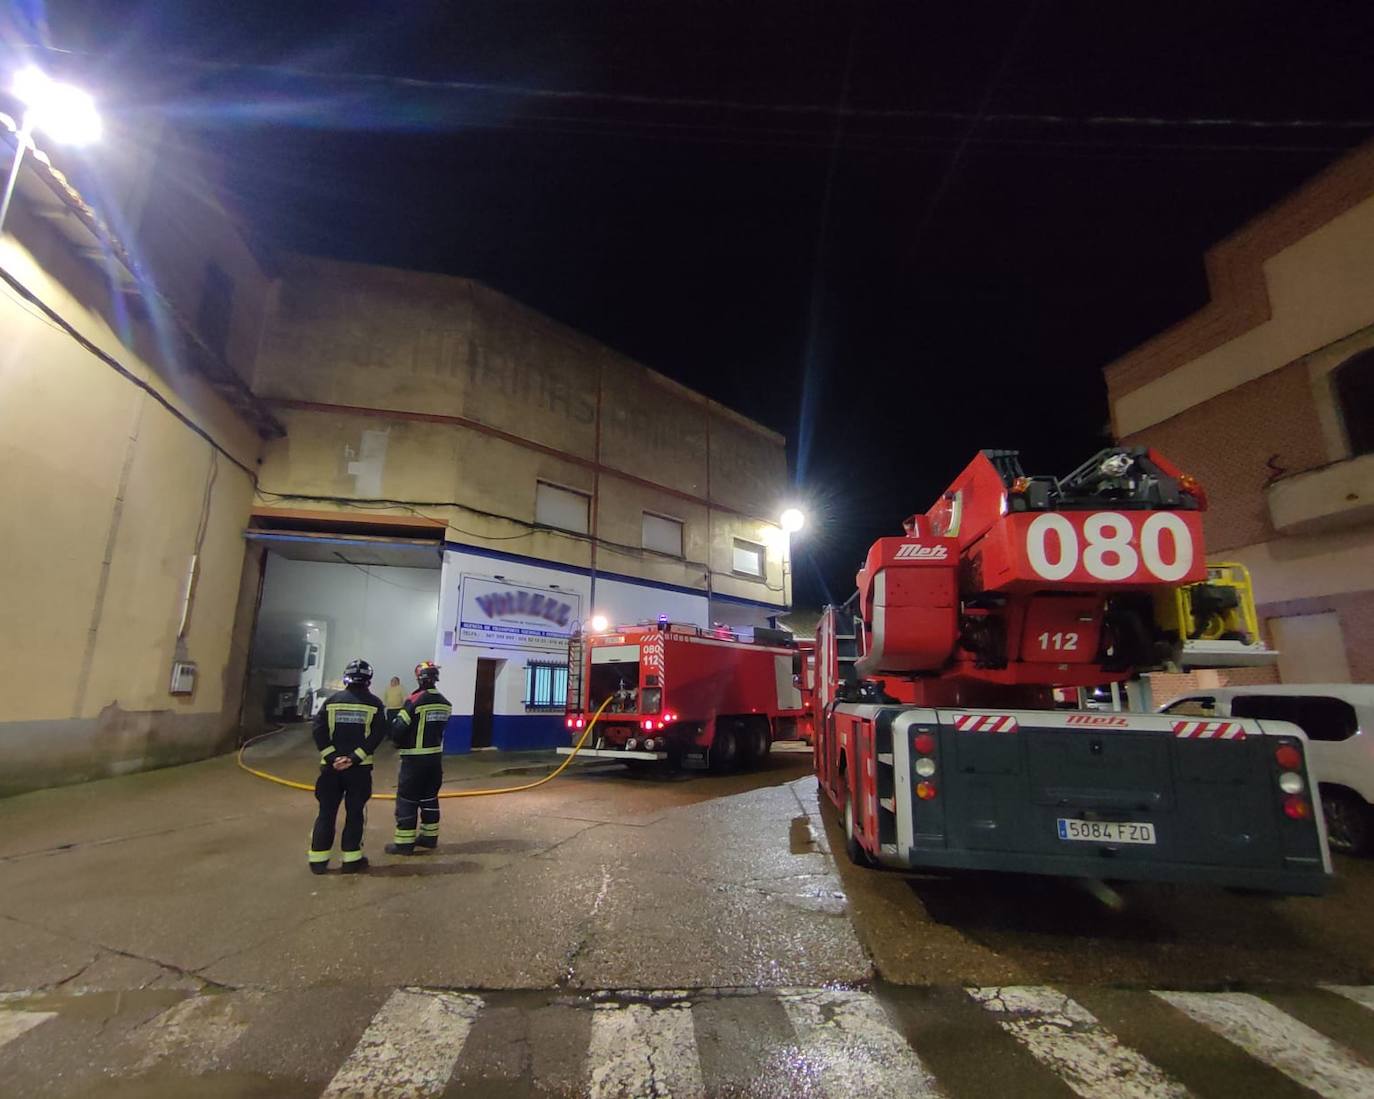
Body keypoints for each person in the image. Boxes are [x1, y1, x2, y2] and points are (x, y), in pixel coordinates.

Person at [308, 659, 387, 875]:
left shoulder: (331, 702)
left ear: (346, 677)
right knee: (355, 814)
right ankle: (351, 860)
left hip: (330, 770)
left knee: (326, 812)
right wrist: (354, 758)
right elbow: (377, 735)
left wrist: (333, 757)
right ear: (368, 680)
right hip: (359, 771)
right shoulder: (375, 704)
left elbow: (318, 731)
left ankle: (318, 860)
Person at [386, 661, 452, 855]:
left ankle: (404, 844)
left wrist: (396, 742)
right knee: (430, 798)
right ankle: (429, 838)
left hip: (414, 760)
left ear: (419, 678)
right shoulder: (444, 702)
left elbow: (398, 728)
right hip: (435, 760)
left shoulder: (415, 700)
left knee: (407, 800)